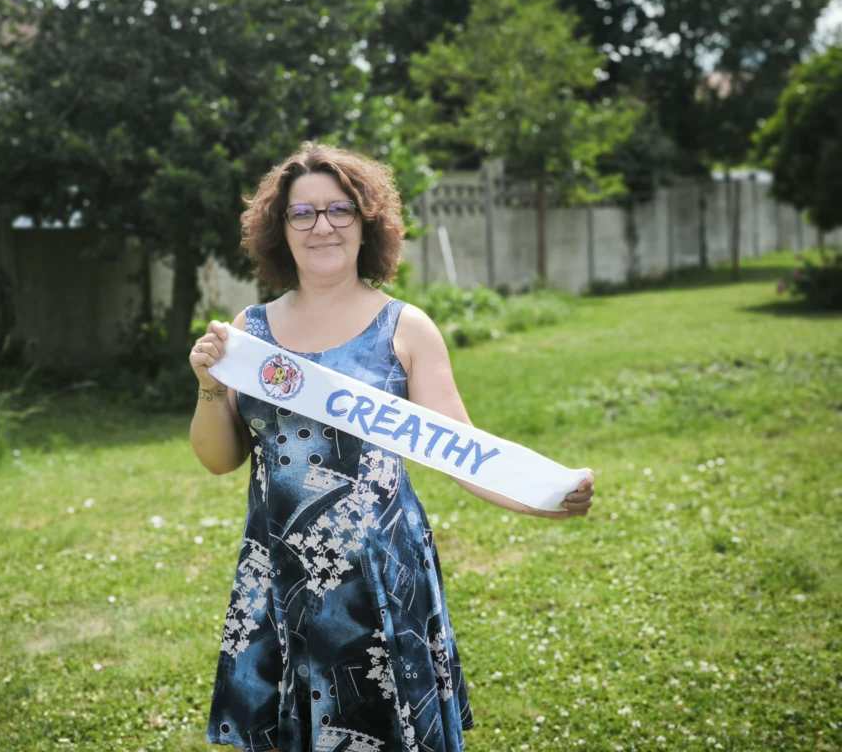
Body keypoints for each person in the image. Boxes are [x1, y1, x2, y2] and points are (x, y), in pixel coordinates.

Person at [189, 142, 594, 752]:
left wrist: (543, 496)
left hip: (380, 578)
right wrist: (208, 389)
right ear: (281, 228)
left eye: (339, 210)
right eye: (303, 213)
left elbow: (460, 449)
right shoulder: (249, 333)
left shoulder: (405, 328)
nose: (322, 225)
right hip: (279, 572)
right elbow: (220, 459)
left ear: (365, 221)